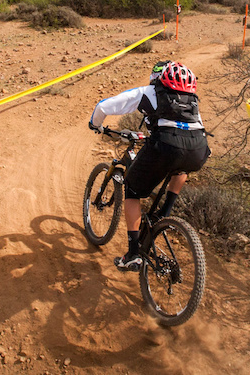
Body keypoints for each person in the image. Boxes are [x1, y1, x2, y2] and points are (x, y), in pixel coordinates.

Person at [88, 61, 210, 271]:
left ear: (157, 78)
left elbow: (103, 106)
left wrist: (96, 125)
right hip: (198, 149)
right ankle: (164, 212)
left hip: (165, 146)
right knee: (181, 168)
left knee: (133, 190)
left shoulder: (149, 91)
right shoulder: (192, 101)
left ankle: (133, 254)